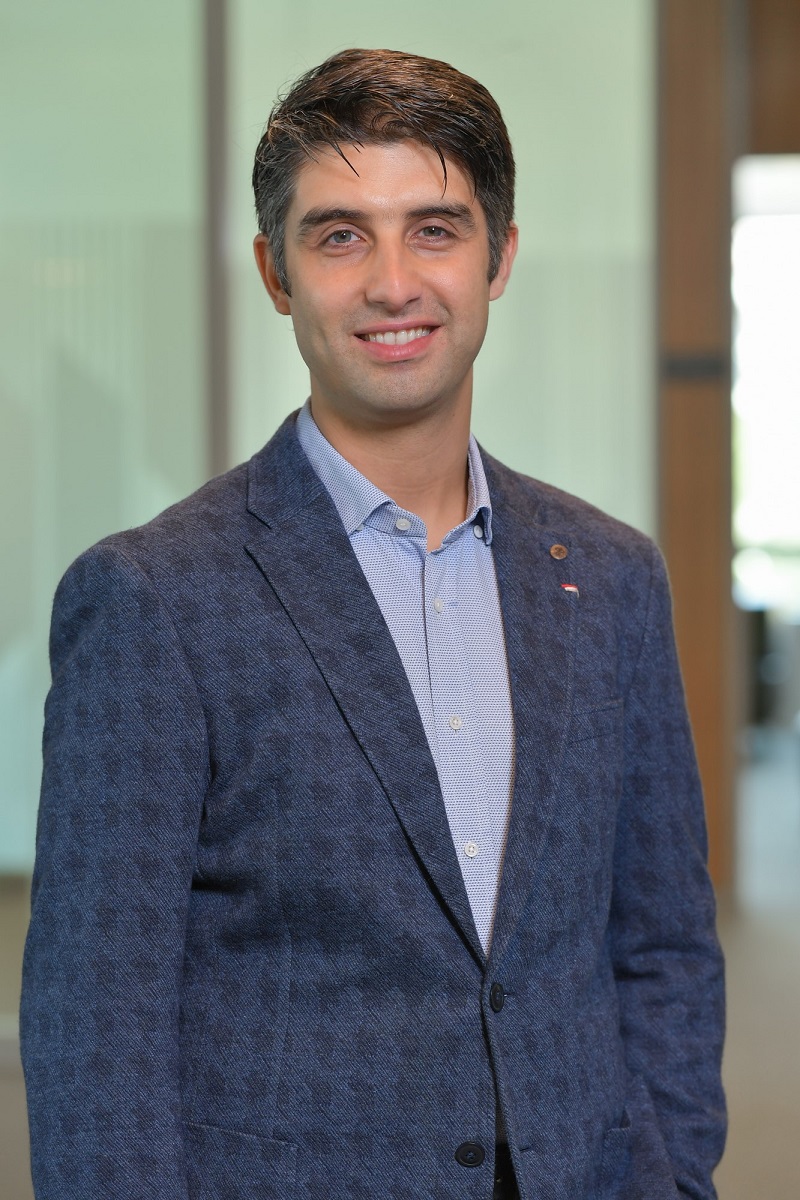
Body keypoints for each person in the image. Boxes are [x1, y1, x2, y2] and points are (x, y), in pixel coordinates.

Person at [21, 47, 726, 1200]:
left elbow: (660, 945)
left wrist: (669, 1172)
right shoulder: (156, 598)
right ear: (276, 271)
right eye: (340, 236)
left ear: (498, 257)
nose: (393, 283)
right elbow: (97, 1022)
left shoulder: (609, 577)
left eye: (434, 230)